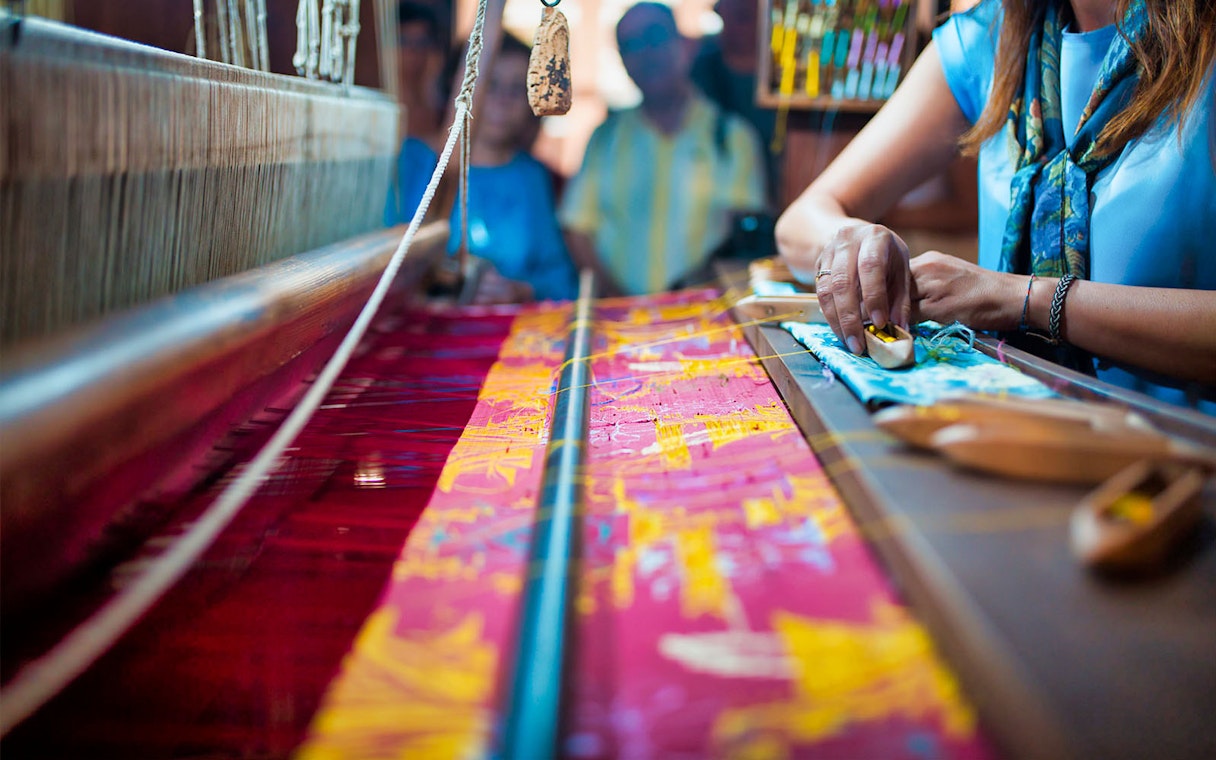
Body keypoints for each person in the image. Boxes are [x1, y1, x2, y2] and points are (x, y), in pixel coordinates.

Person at [775, 0, 1216, 410]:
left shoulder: (1204, 47)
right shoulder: (990, 41)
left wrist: (1022, 299)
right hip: (1008, 447)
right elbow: (801, 221)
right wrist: (853, 244)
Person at [560, 2, 767, 297]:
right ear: (622, 60)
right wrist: (617, 300)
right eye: (630, 45)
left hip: (706, 321)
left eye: (655, 37)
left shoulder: (733, 137)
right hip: (618, 320)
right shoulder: (604, 139)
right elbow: (577, 229)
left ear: (685, 45)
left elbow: (745, 238)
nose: (645, 54)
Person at [385, 34, 577, 303]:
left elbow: (562, 280)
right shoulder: (411, 162)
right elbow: (379, 266)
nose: (502, 101)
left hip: (498, 334)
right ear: (458, 90)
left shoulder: (530, 177)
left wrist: (520, 291)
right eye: (490, 85)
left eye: (515, 90)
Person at [691, 0, 781, 208]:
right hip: (710, 211)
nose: (743, 5)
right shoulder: (697, 72)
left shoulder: (786, 75)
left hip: (775, 204)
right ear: (720, 10)